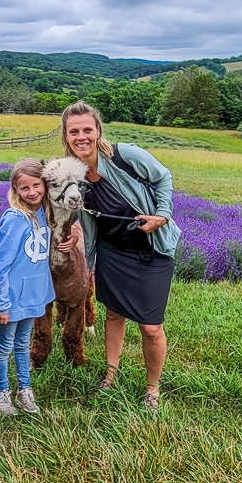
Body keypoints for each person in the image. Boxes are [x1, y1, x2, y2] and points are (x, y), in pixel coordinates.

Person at [61, 101, 181, 411]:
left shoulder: (123, 155)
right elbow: (73, 210)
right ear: (66, 136)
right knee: (114, 314)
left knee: (151, 326)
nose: (81, 136)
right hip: (112, 251)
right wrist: (71, 232)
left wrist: (162, 216)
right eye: (74, 131)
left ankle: (152, 388)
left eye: (87, 129)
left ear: (98, 130)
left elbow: (163, 177)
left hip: (151, 248)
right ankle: (110, 375)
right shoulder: (71, 172)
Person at [0, 158, 76, 416]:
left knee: (24, 342)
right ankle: (0, 390)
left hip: (35, 293)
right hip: (13, 297)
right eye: (24, 188)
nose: (32, 192)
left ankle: (24, 389)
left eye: (37, 185)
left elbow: (73, 206)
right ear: (15, 189)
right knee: (4, 345)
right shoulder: (14, 218)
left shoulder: (45, 212)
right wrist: (1, 302)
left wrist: (77, 233)